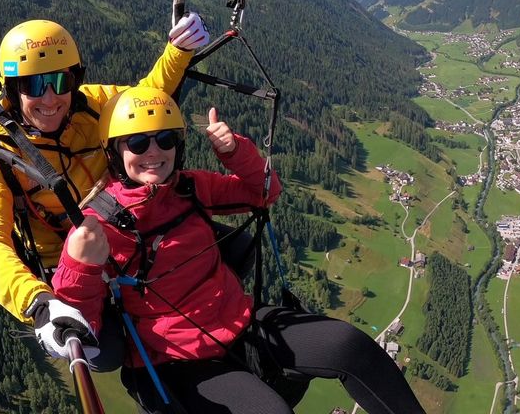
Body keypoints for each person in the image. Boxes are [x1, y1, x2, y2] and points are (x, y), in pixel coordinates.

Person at [51, 86, 427, 414]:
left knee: (350, 346)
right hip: (177, 359)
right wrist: (79, 264)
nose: (153, 151)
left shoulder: (191, 187)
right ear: (115, 152)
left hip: (240, 320)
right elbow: (80, 323)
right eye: (137, 143)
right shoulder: (98, 225)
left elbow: (263, 193)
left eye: (165, 139)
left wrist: (235, 152)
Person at [0, 13, 208, 361]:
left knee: (226, 254)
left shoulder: (91, 105)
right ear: (13, 89)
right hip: (59, 265)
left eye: (61, 83)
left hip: (117, 237)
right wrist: (37, 301)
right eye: (34, 85)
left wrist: (177, 52)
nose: (50, 99)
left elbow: (145, 100)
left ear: (76, 81)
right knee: (105, 353)